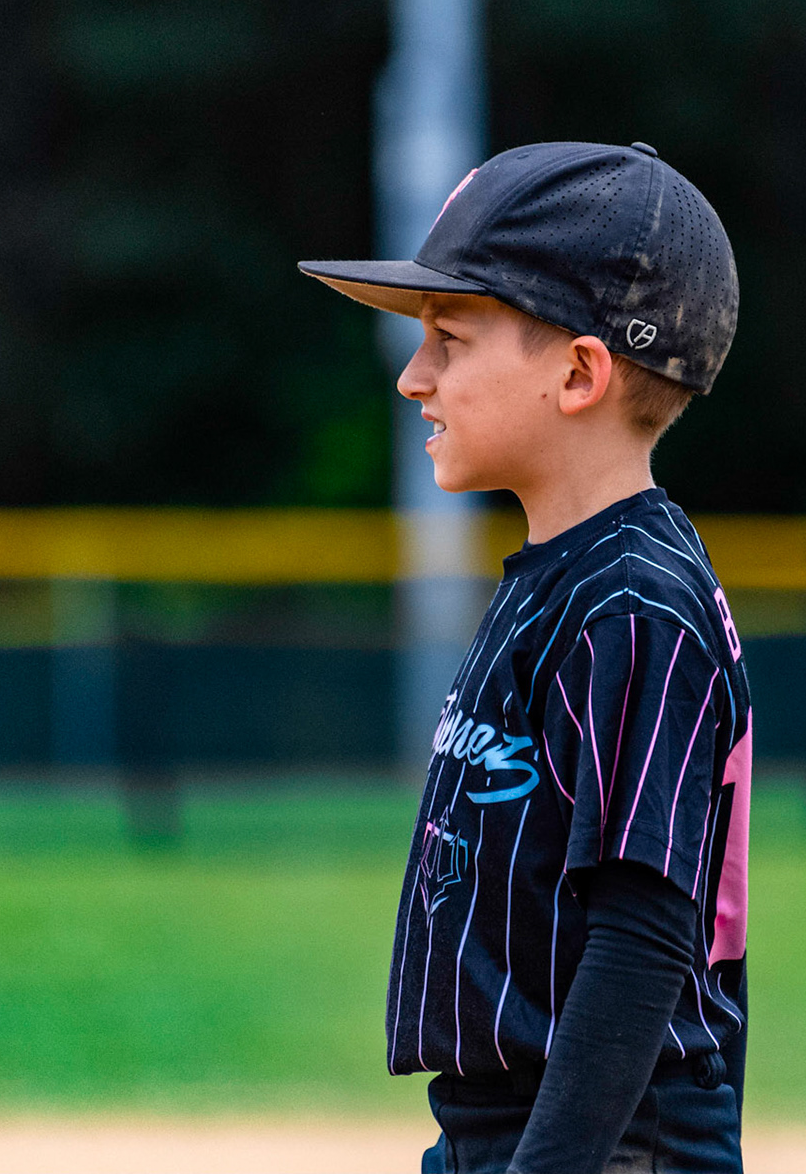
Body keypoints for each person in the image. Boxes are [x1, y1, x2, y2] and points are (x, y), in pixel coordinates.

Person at [299, 140, 752, 1174]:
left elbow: (650, 937)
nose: (416, 377)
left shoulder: (635, 605)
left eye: (451, 339)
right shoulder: (567, 579)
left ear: (581, 372)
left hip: (600, 1145)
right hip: (522, 1131)